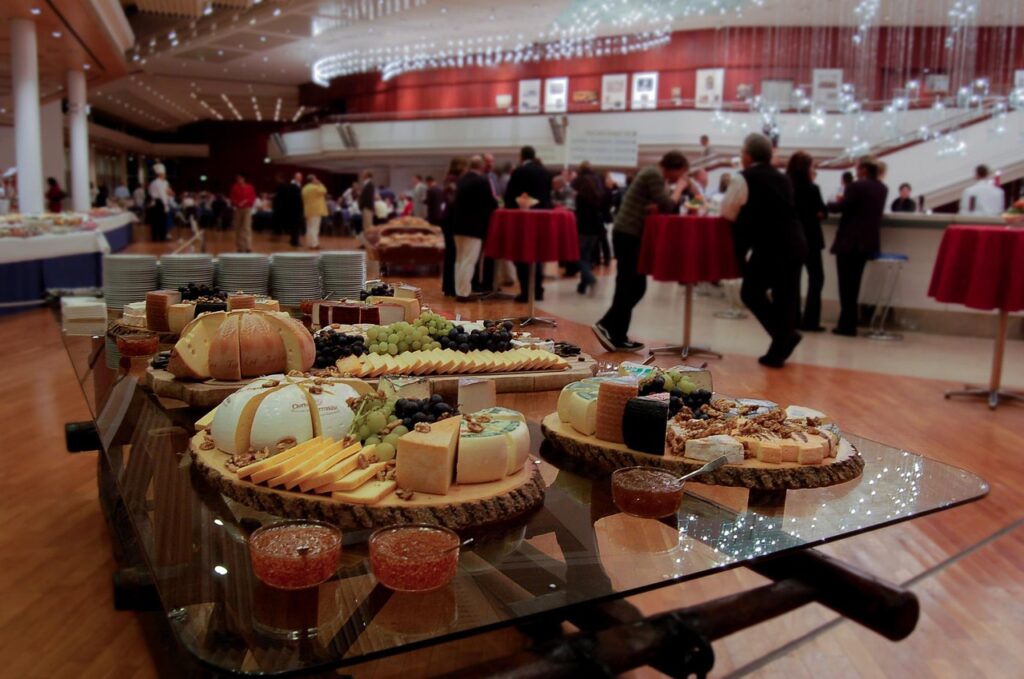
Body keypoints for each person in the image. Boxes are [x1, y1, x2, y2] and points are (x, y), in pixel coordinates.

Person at [720, 134, 807, 367]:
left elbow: (727, 211)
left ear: (747, 155)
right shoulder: (783, 178)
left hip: (770, 246)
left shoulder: (743, 178)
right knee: (786, 298)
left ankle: (784, 337)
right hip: (795, 242)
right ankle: (779, 349)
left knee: (751, 292)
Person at [592, 151, 691, 352]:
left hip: (627, 233)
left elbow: (655, 205)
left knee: (629, 285)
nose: (681, 177)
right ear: (675, 167)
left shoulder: (651, 174)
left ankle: (617, 335)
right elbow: (668, 205)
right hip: (629, 234)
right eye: (681, 173)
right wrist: (679, 188)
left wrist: (653, 206)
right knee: (634, 285)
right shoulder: (654, 174)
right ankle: (607, 324)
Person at [828, 157, 888, 337]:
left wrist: (828, 205)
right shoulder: (882, 188)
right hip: (868, 242)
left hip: (849, 241)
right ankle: (849, 322)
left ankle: (847, 324)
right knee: (855, 282)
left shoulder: (856, 186)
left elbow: (842, 207)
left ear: (862, 169)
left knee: (845, 284)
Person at [503, 146, 554, 302]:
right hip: (542, 220)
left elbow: (510, 197)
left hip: (523, 221)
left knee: (522, 256)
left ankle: (526, 291)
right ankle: (538, 289)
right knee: (537, 256)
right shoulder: (545, 172)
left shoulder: (519, 172)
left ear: (521, 156)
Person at [787, 152, 827, 332]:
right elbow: (822, 211)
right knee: (816, 278)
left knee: (792, 280)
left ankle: (792, 318)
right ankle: (811, 320)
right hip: (811, 237)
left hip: (792, 238)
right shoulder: (812, 188)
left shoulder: (787, 186)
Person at [450, 156, 498, 301]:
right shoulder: (482, 181)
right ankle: (464, 293)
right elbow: (490, 204)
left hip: (457, 226)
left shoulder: (462, 180)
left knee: (459, 260)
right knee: (469, 261)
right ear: (482, 167)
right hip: (474, 227)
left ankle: (459, 289)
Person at [572, 164, 605, 295]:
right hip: (595, 231)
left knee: (578, 258)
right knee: (586, 257)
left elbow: (578, 214)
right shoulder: (597, 196)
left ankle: (591, 280)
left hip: (583, 230)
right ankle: (582, 285)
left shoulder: (580, 197)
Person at [441, 158, 468, 297]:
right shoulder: (453, 181)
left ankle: (449, 287)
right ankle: (450, 287)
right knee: (453, 254)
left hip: (449, 219)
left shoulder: (449, 179)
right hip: (452, 219)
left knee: (451, 254)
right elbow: (452, 200)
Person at [273, 172, 303, 246]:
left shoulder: (298, 185)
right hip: (295, 208)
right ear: (295, 177)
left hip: (297, 208)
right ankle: (294, 241)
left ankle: (294, 239)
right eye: (298, 177)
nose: (300, 178)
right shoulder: (292, 185)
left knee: (296, 225)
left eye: (300, 177)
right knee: (295, 225)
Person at [229, 172, 257, 252]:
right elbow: (232, 198)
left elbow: (253, 197)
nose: (239, 180)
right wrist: (237, 203)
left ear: (244, 179)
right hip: (238, 209)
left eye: (240, 178)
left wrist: (247, 202)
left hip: (247, 209)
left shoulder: (250, 187)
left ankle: (248, 246)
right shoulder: (234, 187)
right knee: (238, 228)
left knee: (247, 227)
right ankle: (240, 247)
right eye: (237, 178)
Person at [302, 174, 328, 250]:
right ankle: (314, 244)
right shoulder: (316, 187)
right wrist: (320, 183)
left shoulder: (305, 188)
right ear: (313, 180)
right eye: (315, 179)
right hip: (316, 210)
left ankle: (310, 243)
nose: (317, 180)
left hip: (308, 210)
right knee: (315, 228)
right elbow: (325, 190)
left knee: (309, 228)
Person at [147, 164, 173, 241]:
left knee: (159, 221)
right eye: (164, 174)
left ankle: (159, 236)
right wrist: (165, 205)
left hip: (159, 202)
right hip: (159, 203)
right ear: (160, 174)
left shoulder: (163, 182)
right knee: (159, 221)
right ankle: (160, 237)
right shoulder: (157, 183)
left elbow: (168, 192)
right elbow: (162, 194)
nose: (165, 175)